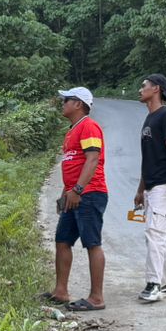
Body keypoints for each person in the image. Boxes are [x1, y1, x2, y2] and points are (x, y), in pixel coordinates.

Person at [45, 87, 107, 312]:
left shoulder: (89, 126)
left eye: (67, 100)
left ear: (79, 104)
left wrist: (78, 189)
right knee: (62, 240)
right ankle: (60, 291)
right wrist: (65, 193)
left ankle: (96, 297)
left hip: (89, 193)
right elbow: (73, 163)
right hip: (74, 194)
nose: (63, 103)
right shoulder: (72, 130)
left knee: (92, 243)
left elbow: (92, 159)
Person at [133, 74, 166, 304]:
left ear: (156, 89)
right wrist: (140, 189)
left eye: (143, 86)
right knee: (160, 234)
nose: (139, 89)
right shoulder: (149, 118)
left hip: (165, 185)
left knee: (154, 234)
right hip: (152, 185)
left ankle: (153, 284)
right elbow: (148, 159)